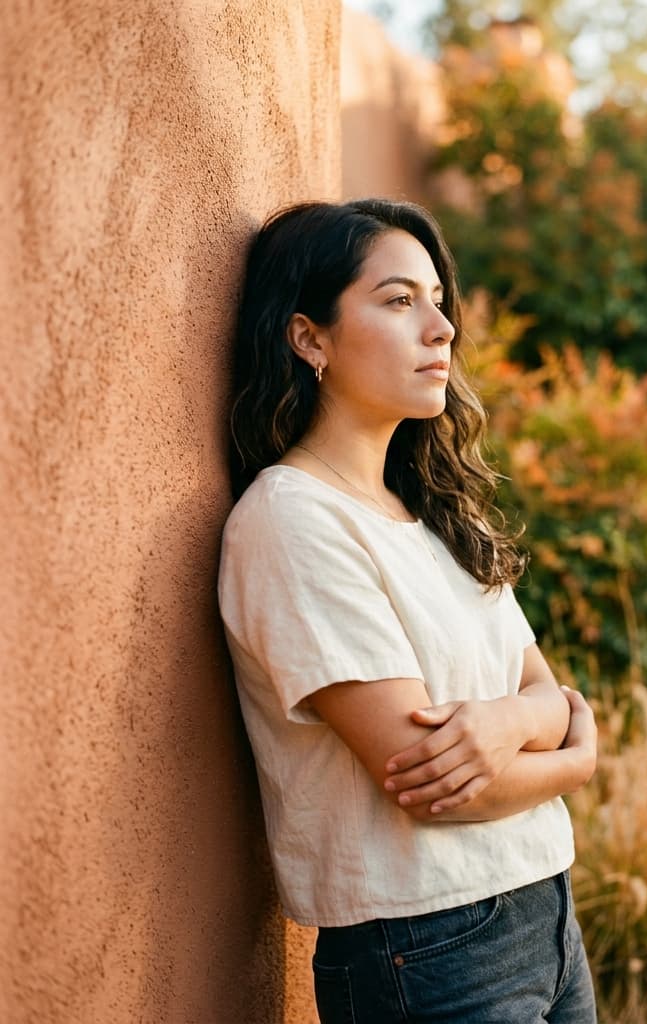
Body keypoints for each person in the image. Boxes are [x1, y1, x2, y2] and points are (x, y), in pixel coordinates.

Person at [218, 197, 598, 1023]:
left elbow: (545, 692)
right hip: (428, 948)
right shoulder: (293, 521)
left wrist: (506, 722)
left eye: (438, 300)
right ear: (309, 338)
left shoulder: (435, 515)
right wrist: (573, 762)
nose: (442, 328)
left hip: (545, 909)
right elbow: (429, 782)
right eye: (398, 301)